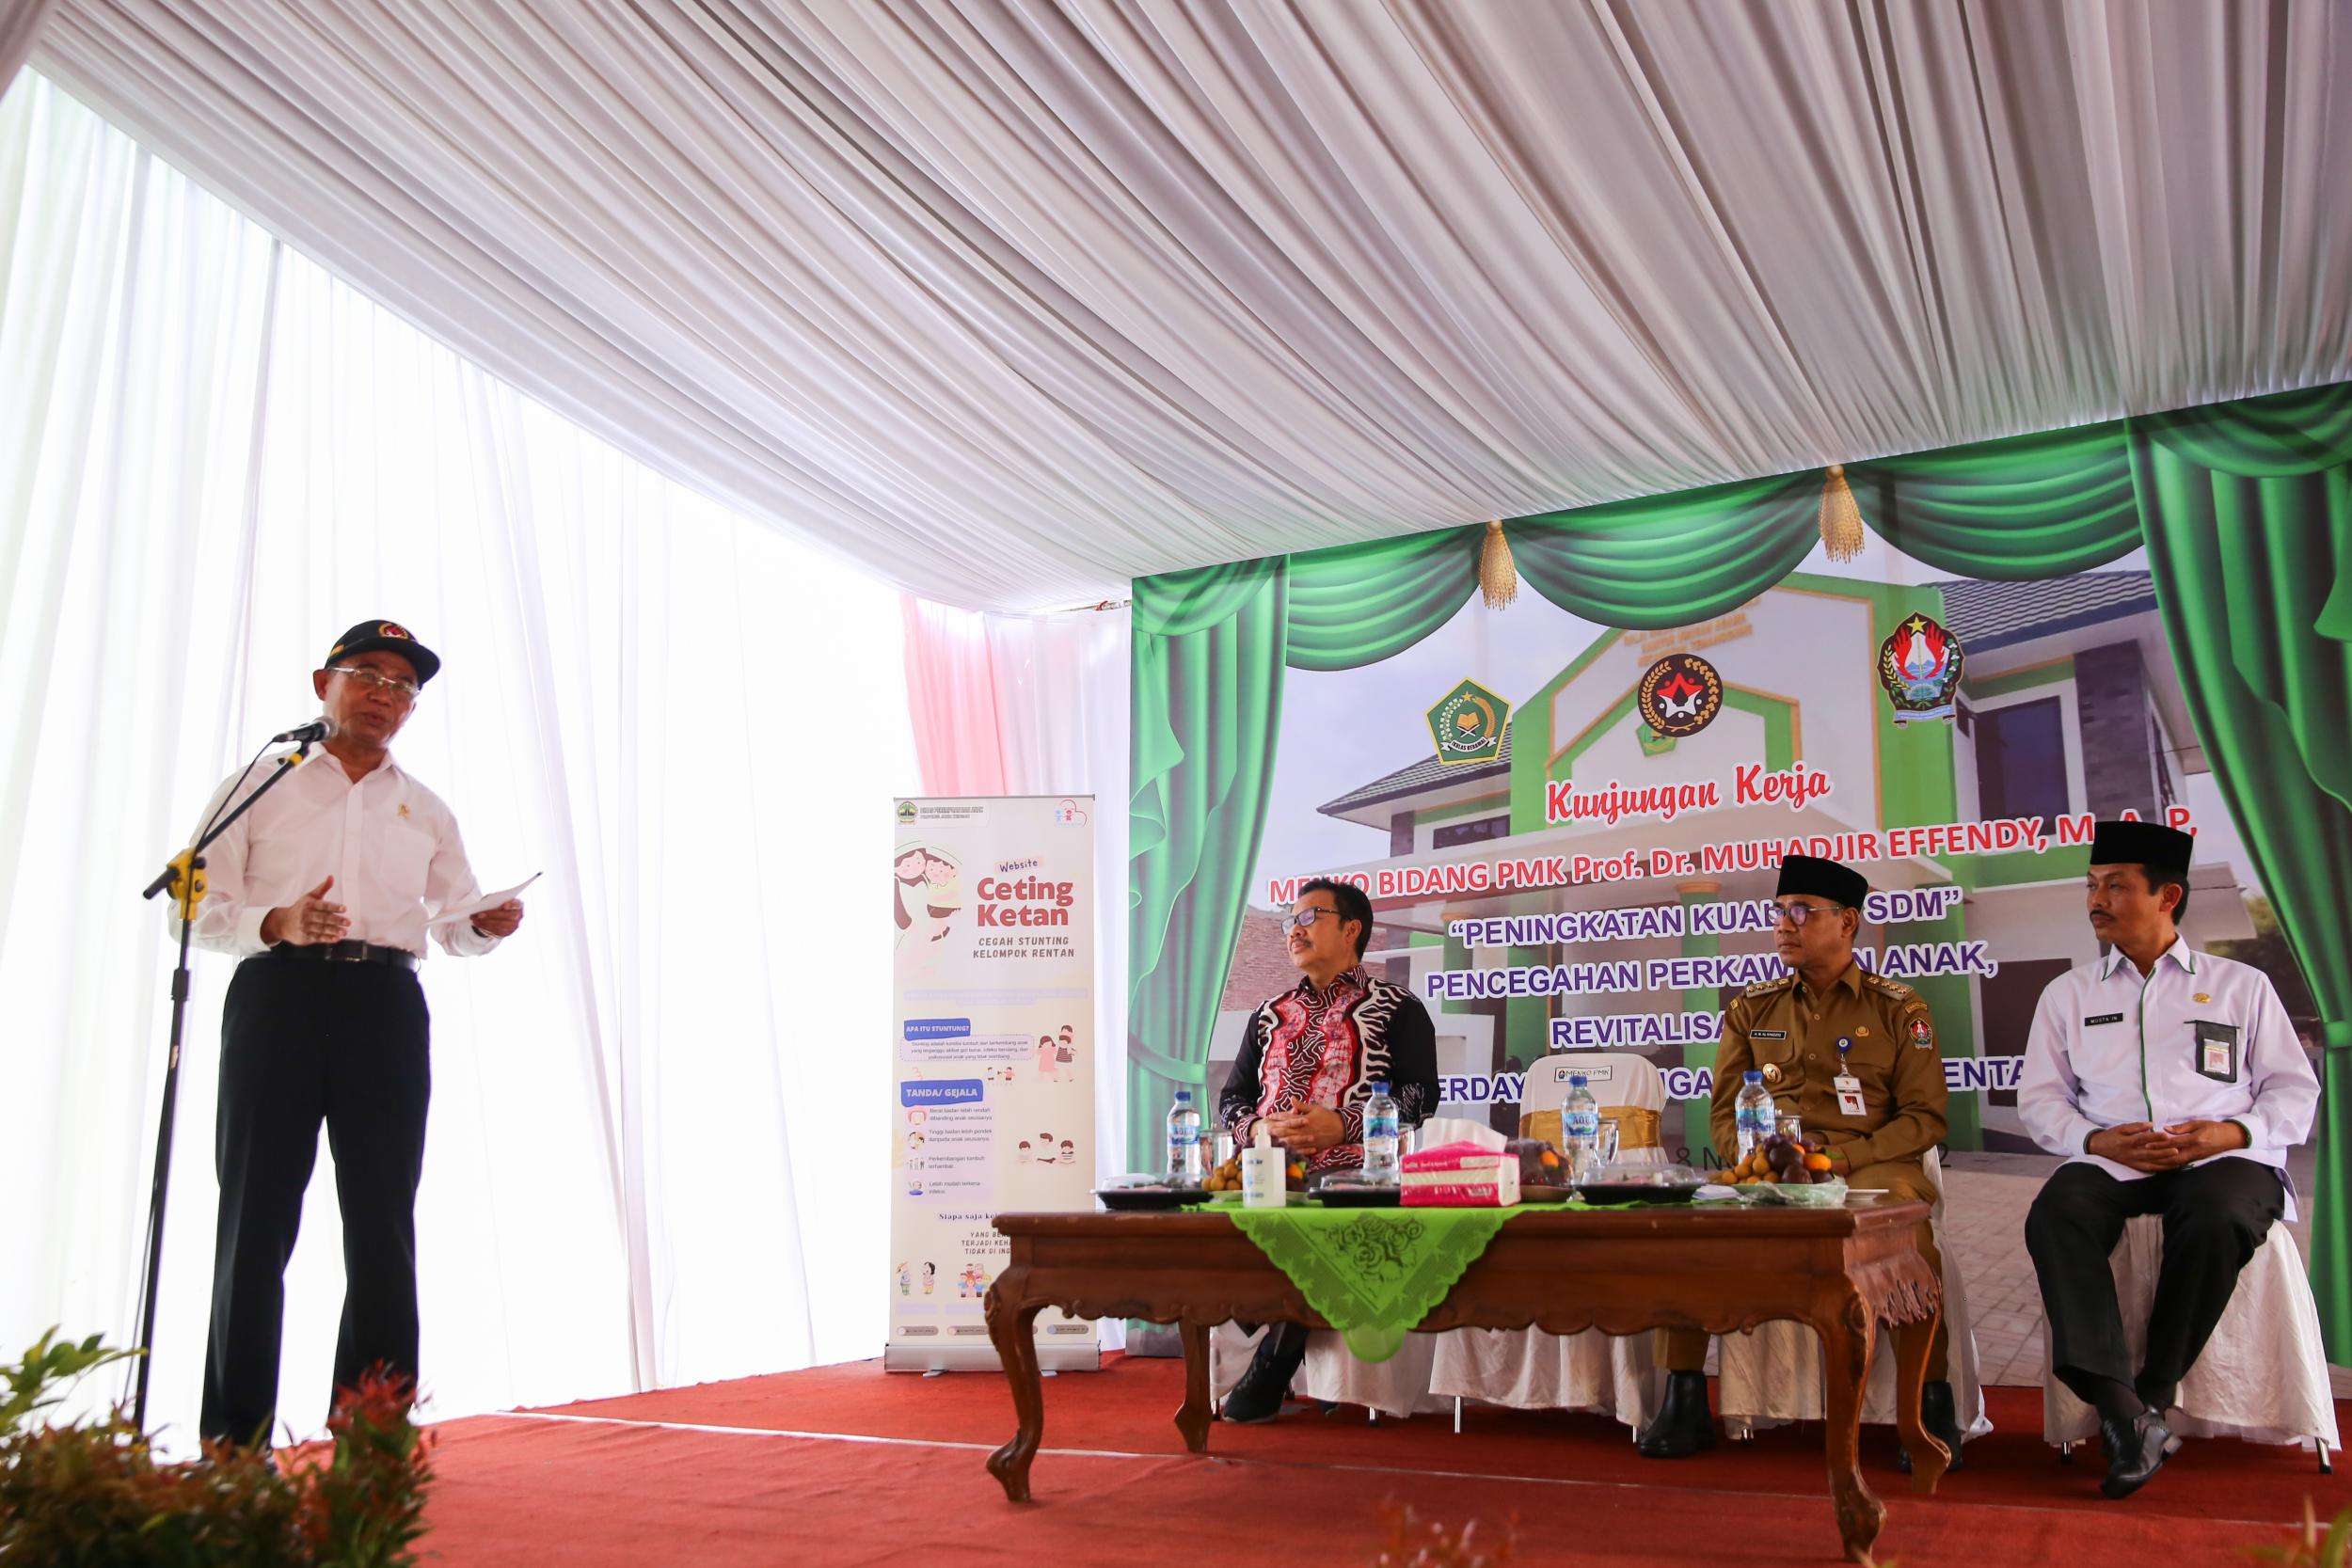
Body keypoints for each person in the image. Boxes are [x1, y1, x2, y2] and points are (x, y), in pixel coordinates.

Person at [178, 621, 524, 1447]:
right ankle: (234, 1445)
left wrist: (485, 925)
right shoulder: (257, 785)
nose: (384, 694)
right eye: (367, 673)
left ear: (411, 709)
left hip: (385, 1007)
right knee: (255, 1219)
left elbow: (453, 921)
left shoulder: (426, 808)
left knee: (381, 1222)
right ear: (322, 683)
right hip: (278, 997)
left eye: (403, 686)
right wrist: (278, 920)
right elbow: (191, 907)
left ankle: (371, 1437)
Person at [2018, 820, 2319, 1499]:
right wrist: (2095, 1141)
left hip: (2221, 1161)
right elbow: (2039, 1099)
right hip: (2114, 1159)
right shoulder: (2069, 994)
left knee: (2218, 1214)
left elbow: (2293, 1089)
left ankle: (2148, 1400)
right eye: (2091, 886)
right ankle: (2122, 1407)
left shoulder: (2241, 986)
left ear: (2168, 896)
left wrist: (2231, 1132)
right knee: (2056, 1212)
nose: (2096, 900)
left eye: (2115, 886)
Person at [1637, 855, 1963, 1470]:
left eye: (1802, 911)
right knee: (1687, 1228)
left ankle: (1929, 1403)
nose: (1784, 924)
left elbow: (1924, 1118)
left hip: (1867, 1164)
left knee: (1907, 1234)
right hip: (1771, 1165)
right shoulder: (1752, 1008)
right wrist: (1751, 1160)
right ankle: (1684, 1396)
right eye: (1780, 911)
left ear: (1847, 922)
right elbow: (1725, 1109)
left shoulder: (1898, 1008)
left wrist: (1842, 1157)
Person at [1216, 877, 1440, 1424]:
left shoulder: (1398, 1007)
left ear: (1351, 929)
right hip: (1265, 1171)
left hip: (1353, 1173)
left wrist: (1344, 1126)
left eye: (1309, 917)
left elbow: (1421, 1097)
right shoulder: (1268, 1013)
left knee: (1329, 1225)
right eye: (1289, 921)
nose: (1294, 930)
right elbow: (1231, 1099)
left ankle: (1275, 1361)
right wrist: (1258, 1130)